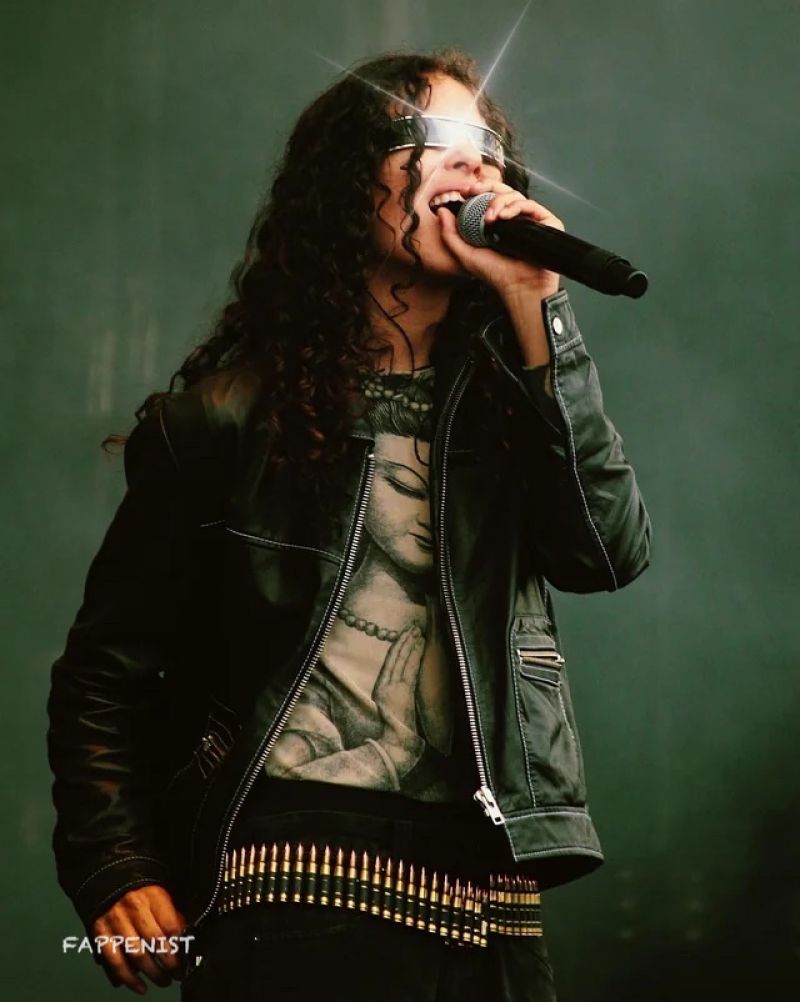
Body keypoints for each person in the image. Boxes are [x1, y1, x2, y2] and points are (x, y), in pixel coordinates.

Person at [46, 47, 651, 1001]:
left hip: (491, 897)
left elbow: (604, 553)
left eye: (489, 148)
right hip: (294, 877)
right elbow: (106, 671)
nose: (475, 163)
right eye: (434, 138)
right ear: (346, 179)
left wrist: (538, 305)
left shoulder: (514, 411)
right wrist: (113, 862)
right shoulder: (224, 420)